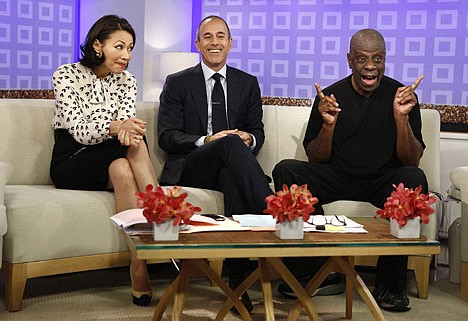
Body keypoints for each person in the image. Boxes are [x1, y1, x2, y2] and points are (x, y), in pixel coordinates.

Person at [272, 28, 426, 312]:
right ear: (349, 60)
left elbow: (411, 160)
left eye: (377, 59)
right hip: (338, 177)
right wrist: (328, 124)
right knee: (287, 171)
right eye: (362, 59)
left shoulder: (402, 96)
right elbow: (316, 158)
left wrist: (401, 119)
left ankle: (390, 285)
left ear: (384, 60)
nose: (370, 66)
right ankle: (315, 272)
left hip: (383, 179)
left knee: (414, 179)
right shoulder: (331, 96)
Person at [157, 15, 273, 314]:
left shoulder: (247, 83)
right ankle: (273, 209)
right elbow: (167, 137)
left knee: (233, 172)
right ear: (197, 44)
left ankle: (239, 286)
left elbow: (257, 131)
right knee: (228, 143)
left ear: (230, 43)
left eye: (221, 36)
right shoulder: (178, 82)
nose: (214, 42)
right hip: (192, 164)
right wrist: (208, 140)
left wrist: (248, 137)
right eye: (207, 36)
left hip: (229, 166)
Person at [50, 15, 157, 307]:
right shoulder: (66, 74)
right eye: (119, 47)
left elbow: (126, 124)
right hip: (72, 157)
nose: (127, 56)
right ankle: (162, 213)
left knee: (124, 164)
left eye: (130, 48)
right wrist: (116, 126)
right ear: (97, 44)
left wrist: (127, 128)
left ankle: (138, 264)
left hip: (113, 152)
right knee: (132, 143)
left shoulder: (127, 80)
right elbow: (80, 130)